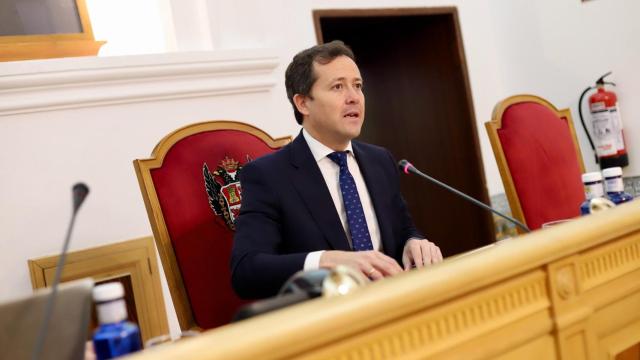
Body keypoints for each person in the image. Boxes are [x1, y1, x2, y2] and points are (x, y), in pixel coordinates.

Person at [231, 40, 442, 299]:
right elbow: (246, 270)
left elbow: (403, 230)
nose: (354, 97)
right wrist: (326, 262)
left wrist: (414, 244)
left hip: (395, 305)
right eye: (338, 87)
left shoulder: (380, 161)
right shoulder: (269, 176)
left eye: (358, 86)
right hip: (329, 320)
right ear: (303, 104)